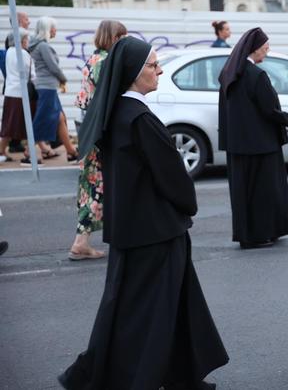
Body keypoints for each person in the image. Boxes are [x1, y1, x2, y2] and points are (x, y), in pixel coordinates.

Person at [58, 37, 228, 389]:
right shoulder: (139, 118)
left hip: (132, 227)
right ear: (134, 73)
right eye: (153, 65)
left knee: (164, 305)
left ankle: (184, 376)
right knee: (148, 314)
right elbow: (172, 177)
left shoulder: (117, 113)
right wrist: (187, 206)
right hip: (156, 231)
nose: (160, 71)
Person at [218, 27, 288, 249]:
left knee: (244, 194)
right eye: (265, 49)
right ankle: (263, 233)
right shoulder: (257, 75)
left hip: (238, 145)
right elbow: (269, 110)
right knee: (264, 193)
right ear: (255, 49)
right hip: (261, 144)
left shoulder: (229, 73)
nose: (266, 53)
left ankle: (248, 235)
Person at [67, 20, 128, 261]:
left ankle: (83, 241)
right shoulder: (105, 62)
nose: (124, 40)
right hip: (99, 132)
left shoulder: (93, 59)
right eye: (121, 36)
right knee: (96, 187)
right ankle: (81, 243)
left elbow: (85, 100)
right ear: (112, 38)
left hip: (90, 129)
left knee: (91, 186)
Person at [30, 16, 78, 164]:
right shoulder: (43, 46)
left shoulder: (35, 45)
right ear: (47, 29)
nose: (55, 30)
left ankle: (71, 152)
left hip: (46, 86)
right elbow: (53, 67)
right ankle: (28, 154)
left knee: (60, 118)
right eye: (53, 28)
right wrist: (63, 79)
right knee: (41, 120)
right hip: (47, 87)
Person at [0, 29, 38, 163]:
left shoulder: (9, 52)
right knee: (29, 124)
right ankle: (29, 153)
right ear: (21, 40)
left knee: (9, 125)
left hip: (10, 92)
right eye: (26, 39)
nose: (28, 42)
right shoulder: (23, 53)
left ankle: (1, 151)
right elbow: (32, 75)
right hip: (23, 94)